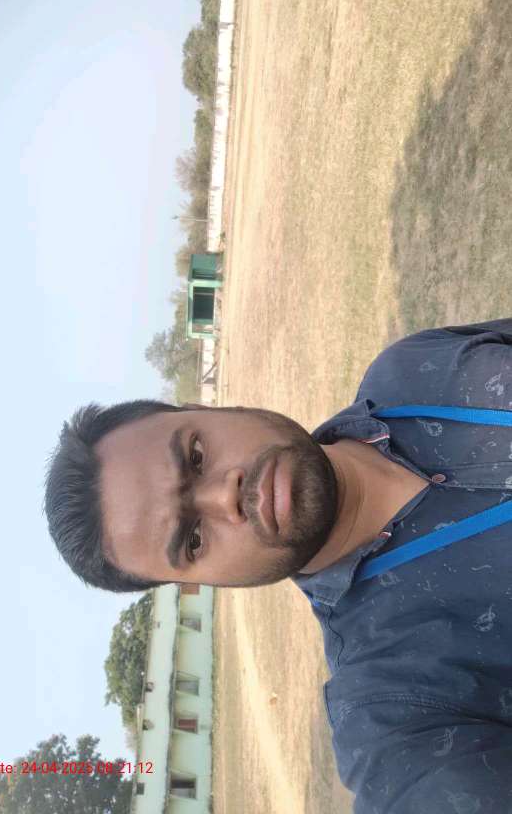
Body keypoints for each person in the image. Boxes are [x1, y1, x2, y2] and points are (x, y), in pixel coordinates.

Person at [44, 318, 512, 812]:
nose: (223, 497)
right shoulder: (392, 706)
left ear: (207, 409)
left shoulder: (410, 368)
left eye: (196, 456)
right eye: (193, 539)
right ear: (200, 584)